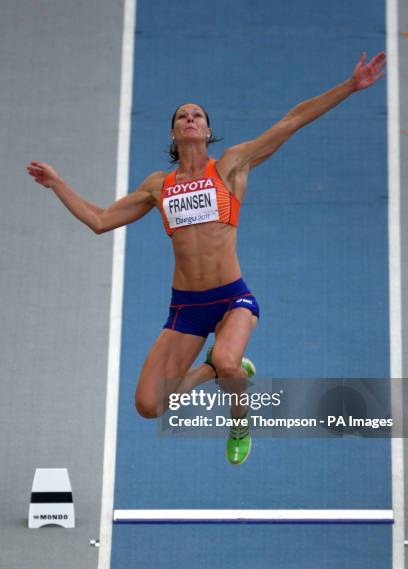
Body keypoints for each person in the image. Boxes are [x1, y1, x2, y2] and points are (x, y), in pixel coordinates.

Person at [27, 51, 386, 465]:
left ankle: (238, 420)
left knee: (233, 361)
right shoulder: (157, 186)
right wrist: (57, 183)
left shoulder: (231, 166)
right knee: (149, 406)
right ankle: (210, 369)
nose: (191, 119)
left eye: (198, 115)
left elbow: (292, 121)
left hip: (233, 299)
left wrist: (349, 85)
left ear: (208, 130)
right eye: (183, 116)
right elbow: (100, 219)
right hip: (186, 309)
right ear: (174, 134)